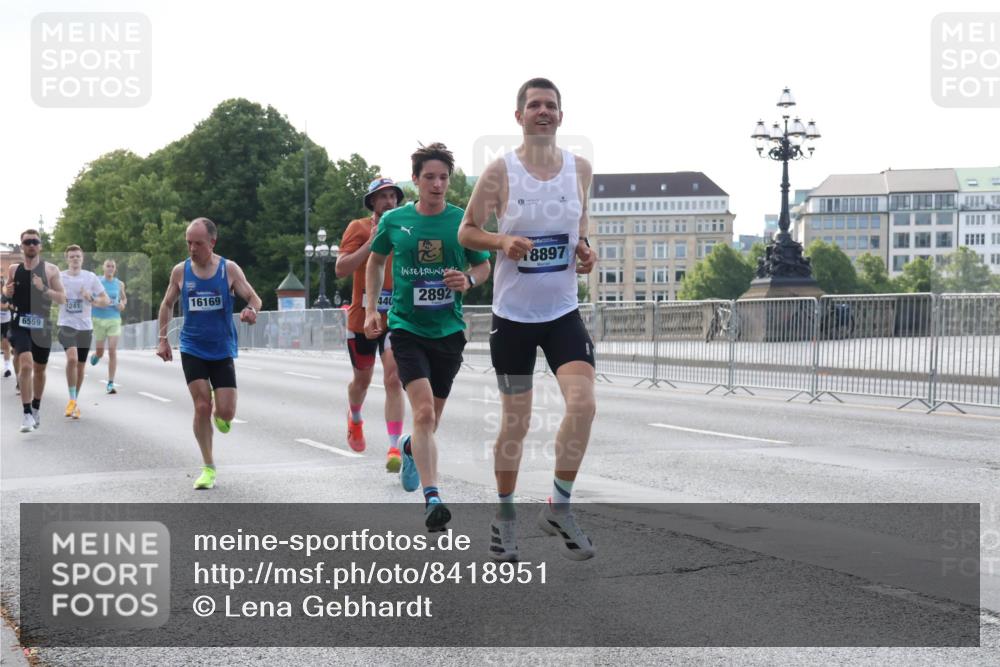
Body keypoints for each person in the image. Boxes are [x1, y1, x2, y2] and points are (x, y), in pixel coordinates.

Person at [458, 78, 598, 561]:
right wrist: (502, 243)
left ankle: (558, 506)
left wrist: (585, 251)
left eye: (551, 105)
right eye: (534, 105)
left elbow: (579, 226)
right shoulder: (500, 172)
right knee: (515, 423)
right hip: (513, 316)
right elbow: (468, 230)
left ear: (562, 116)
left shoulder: (580, 169)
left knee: (583, 404)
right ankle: (504, 515)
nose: (544, 111)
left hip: (562, 312)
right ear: (518, 116)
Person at [365, 143, 491, 532]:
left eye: (444, 178)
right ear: (416, 180)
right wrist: (372, 309)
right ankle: (433, 497)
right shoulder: (394, 221)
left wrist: (468, 280)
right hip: (406, 328)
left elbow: (483, 265)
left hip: (449, 331)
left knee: (429, 421)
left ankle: (407, 447)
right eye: (430, 178)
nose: (438, 185)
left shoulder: (461, 221)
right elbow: (376, 260)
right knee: (421, 413)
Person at [156, 218, 262, 490]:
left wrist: (251, 311)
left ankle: (220, 411)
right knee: (201, 406)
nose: (192, 248)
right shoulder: (181, 272)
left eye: (198, 243)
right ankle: (208, 467)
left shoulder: (228, 270)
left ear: (212, 243)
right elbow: (167, 304)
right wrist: (162, 340)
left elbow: (254, 298)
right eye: (189, 243)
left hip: (222, 347)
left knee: (225, 413)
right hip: (192, 347)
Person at [335, 177, 406, 467]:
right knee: (362, 380)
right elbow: (341, 268)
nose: (389, 201)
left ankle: (393, 447)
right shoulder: (358, 227)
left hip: (395, 317)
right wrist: (372, 242)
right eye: (382, 197)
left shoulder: (405, 226)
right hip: (361, 318)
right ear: (372, 202)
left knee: (393, 379)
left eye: (393, 196)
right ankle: (355, 417)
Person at [3, 229, 67, 432]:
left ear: (40, 246)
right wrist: (6, 291)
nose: (31, 245)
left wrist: (43, 289)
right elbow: (6, 291)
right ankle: (26, 413)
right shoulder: (14, 269)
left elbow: (62, 299)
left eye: (35, 241)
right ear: (21, 245)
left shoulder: (51, 271)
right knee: (26, 363)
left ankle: (36, 407)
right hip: (20, 323)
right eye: (27, 242)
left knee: (39, 369)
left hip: (42, 325)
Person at [57, 245, 109, 419]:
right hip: (66, 324)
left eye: (77, 256)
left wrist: (91, 298)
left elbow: (105, 300)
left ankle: (74, 401)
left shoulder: (90, 277)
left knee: (80, 366)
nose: (75, 259)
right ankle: (72, 401)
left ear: (82, 258)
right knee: (71, 359)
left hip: (85, 327)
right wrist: (58, 295)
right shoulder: (60, 277)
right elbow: (47, 295)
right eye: (71, 256)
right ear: (67, 259)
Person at [90, 258, 128, 394]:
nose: (110, 268)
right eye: (108, 266)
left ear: (115, 269)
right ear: (103, 268)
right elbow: (90, 298)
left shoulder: (119, 284)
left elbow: (123, 298)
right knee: (101, 351)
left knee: (112, 350)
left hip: (114, 319)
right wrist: (98, 302)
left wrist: (122, 304)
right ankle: (96, 355)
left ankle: (110, 383)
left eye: (113, 266)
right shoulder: (97, 282)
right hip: (98, 319)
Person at [1, 278, 14, 380]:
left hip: (6, 322)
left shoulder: (7, 295)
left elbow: (7, 306)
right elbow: (4, 306)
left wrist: (7, 306)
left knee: (6, 345)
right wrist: (6, 306)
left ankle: (7, 368)